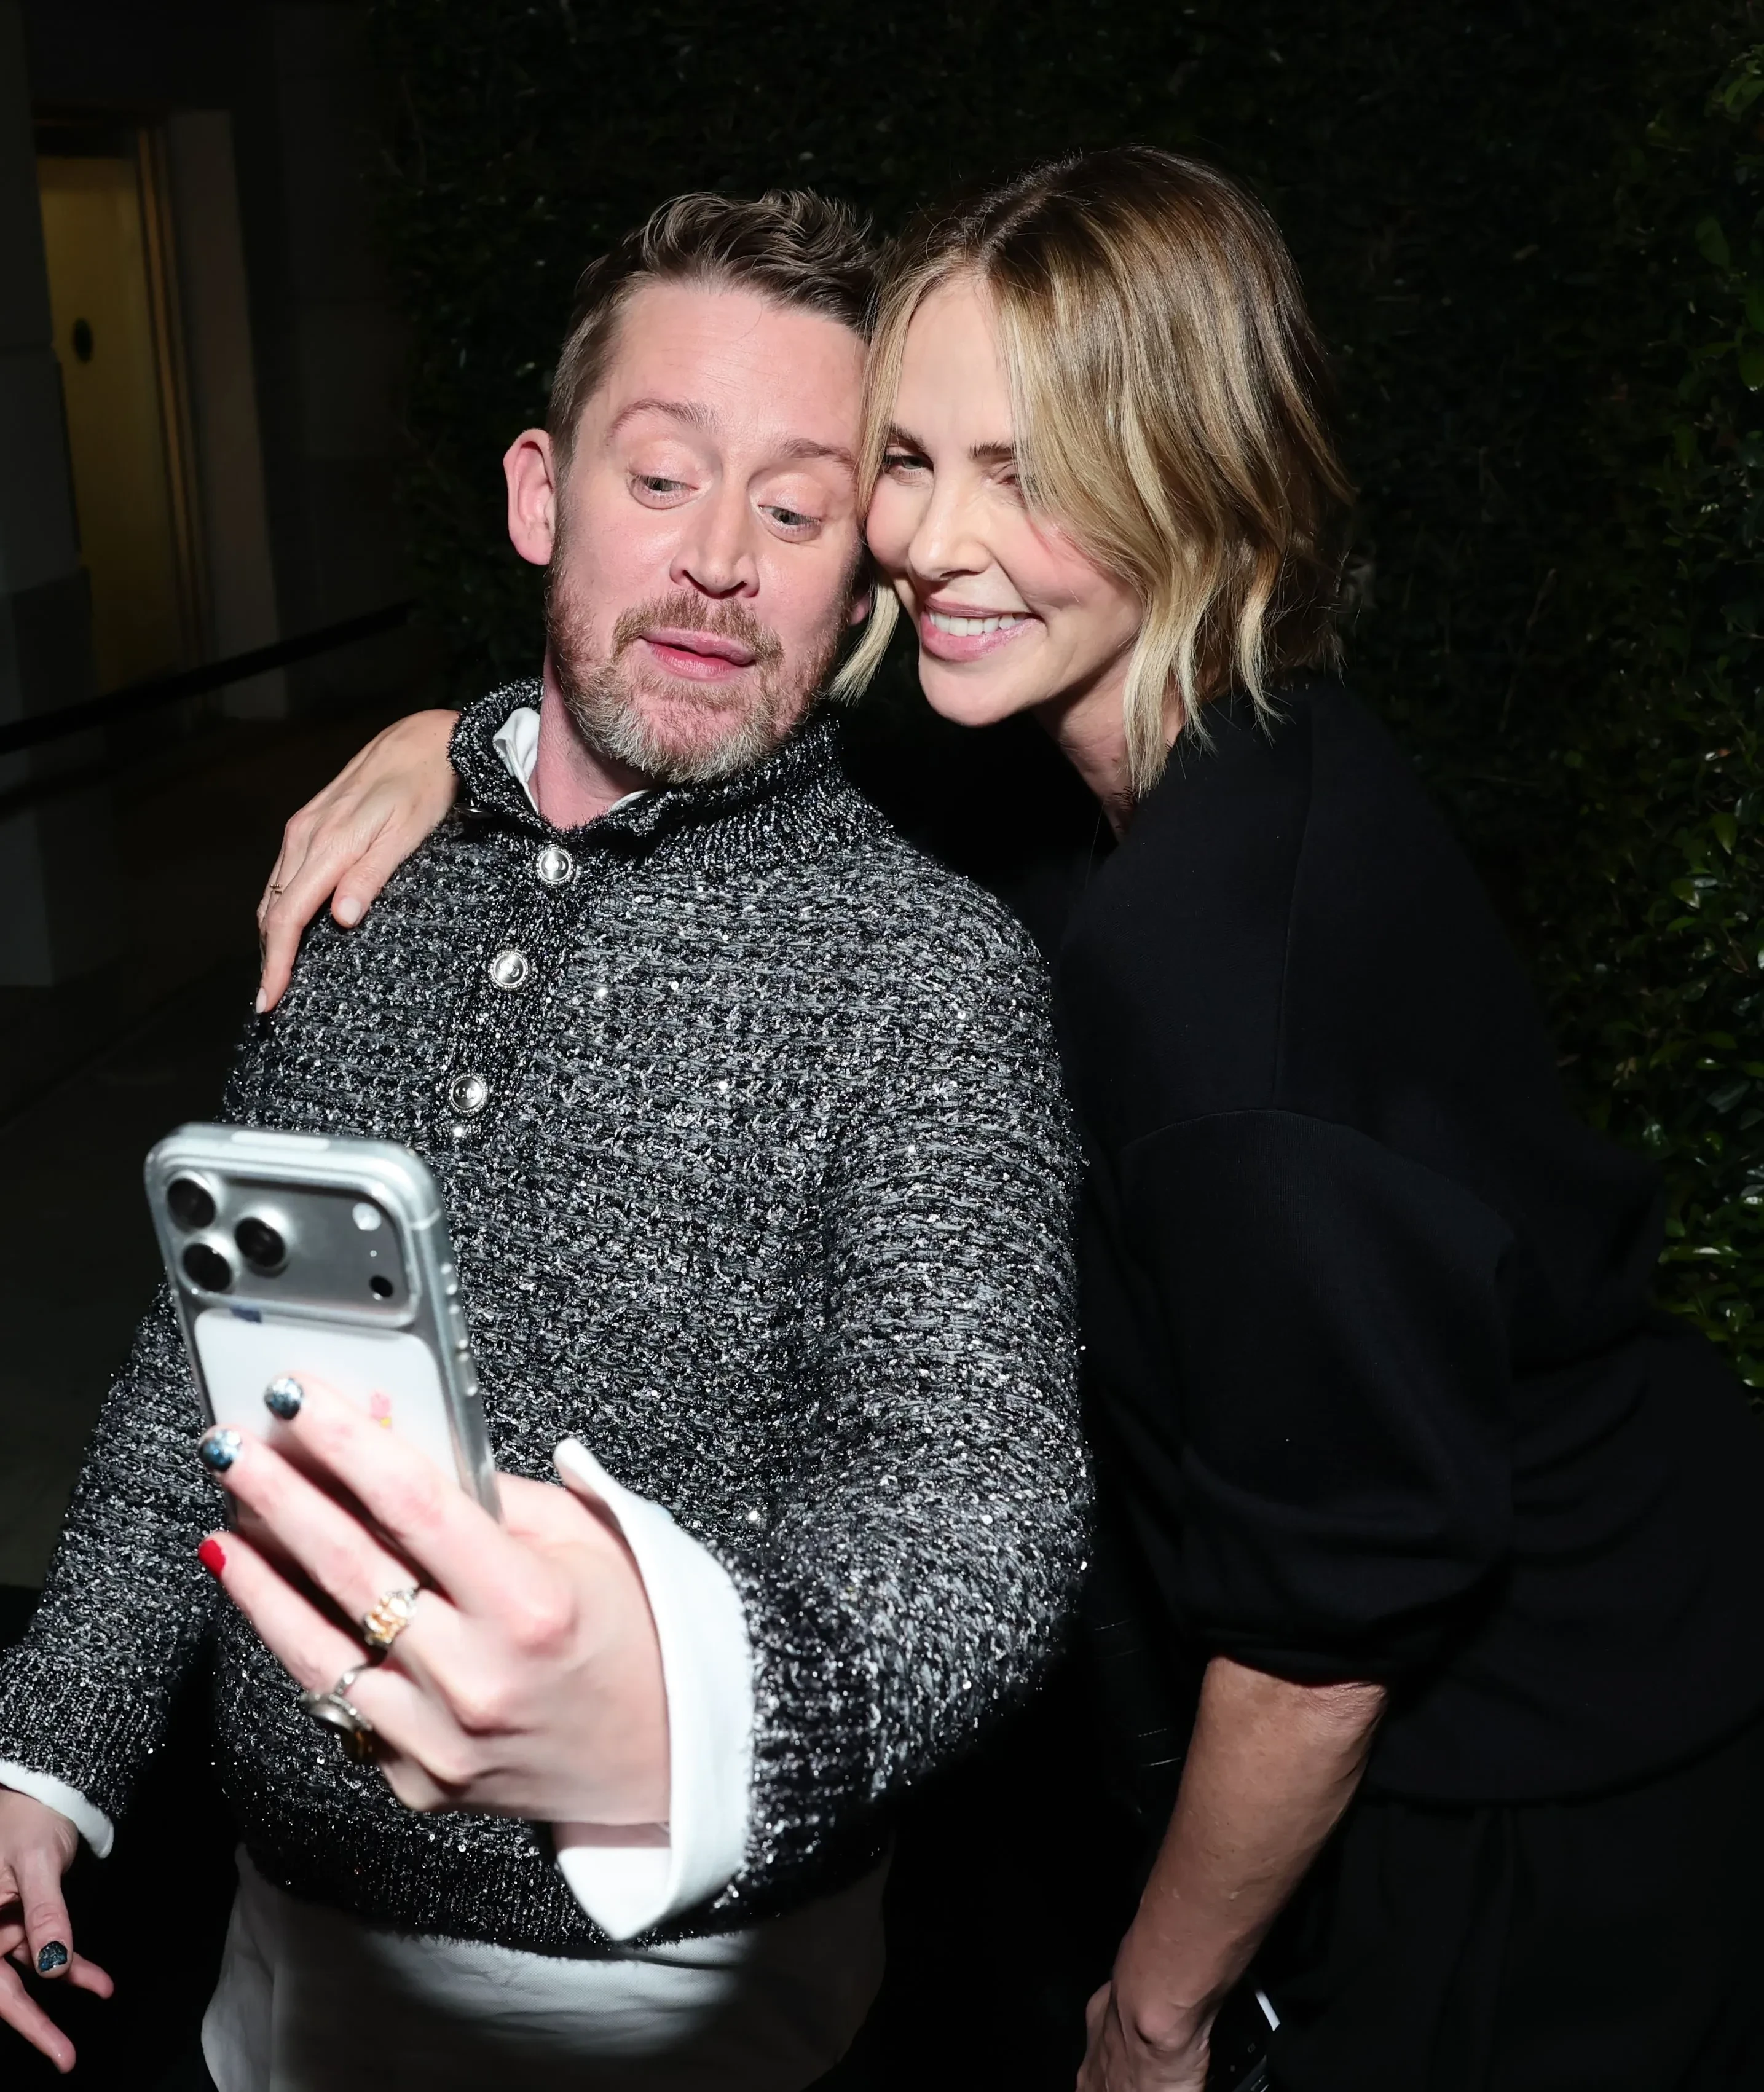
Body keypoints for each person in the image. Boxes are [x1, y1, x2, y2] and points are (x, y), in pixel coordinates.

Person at [261, 146, 1764, 2092]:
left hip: (1558, 1756)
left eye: (1030, 474)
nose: (934, 543)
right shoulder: (1168, 744)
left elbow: (1319, 1652)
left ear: (1197, 476)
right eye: (909, 460)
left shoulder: (1229, 995)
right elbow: (724, 718)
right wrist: (465, 745)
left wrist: (1157, 2006)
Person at [0, 189, 1089, 2091]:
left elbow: (980, 1506)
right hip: (270, 1963)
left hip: (657, 2008)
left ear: (859, 586)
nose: (718, 561)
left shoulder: (925, 969)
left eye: (797, 508)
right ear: (537, 495)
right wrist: (47, 1758)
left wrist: (690, 1709)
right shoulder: (368, 873)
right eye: (661, 477)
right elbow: (206, 1364)